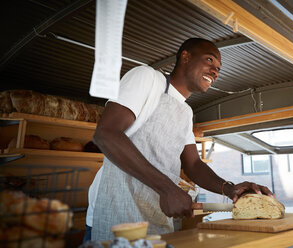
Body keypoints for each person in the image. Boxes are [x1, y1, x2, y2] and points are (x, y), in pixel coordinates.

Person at [84, 38, 273, 241]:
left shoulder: (185, 112)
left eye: (218, 68)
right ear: (185, 56)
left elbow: (193, 164)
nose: (215, 71)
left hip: (156, 217)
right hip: (115, 211)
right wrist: (167, 189)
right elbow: (106, 133)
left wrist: (229, 189)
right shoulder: (146, 77)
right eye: (209, 60)